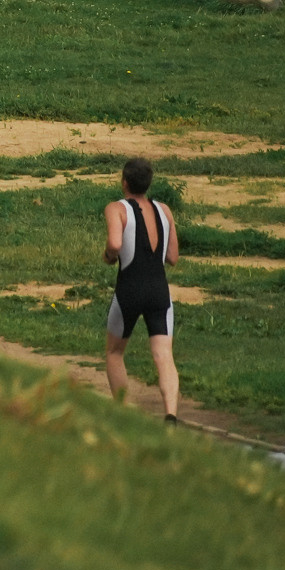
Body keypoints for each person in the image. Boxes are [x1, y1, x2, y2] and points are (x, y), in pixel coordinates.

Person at [103, 157, 182, 424]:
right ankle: (170, 414)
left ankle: (124, 412)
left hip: (130, 289)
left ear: (124, 181)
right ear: (148, 184)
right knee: (163, 355)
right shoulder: (164, 210)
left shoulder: (117, 208)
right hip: (160, 290)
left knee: (114, 352)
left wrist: (108, 256)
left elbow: (114, 243)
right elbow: (172, 257)